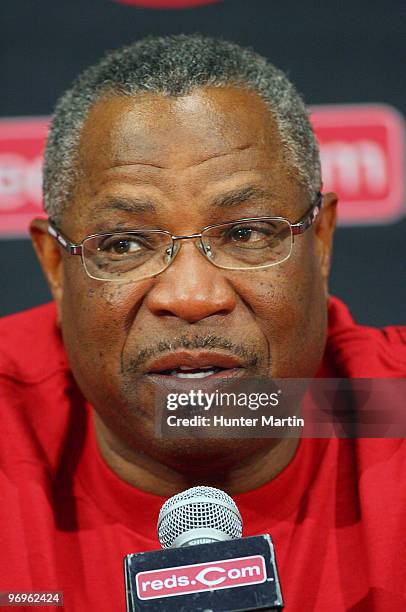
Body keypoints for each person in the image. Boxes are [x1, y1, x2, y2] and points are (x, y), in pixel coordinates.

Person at [0, 34, 405, 611]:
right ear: (54, 266)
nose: (191, 296)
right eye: (126, 243)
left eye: (244, 234)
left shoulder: (386, 407)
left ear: (320, 241)